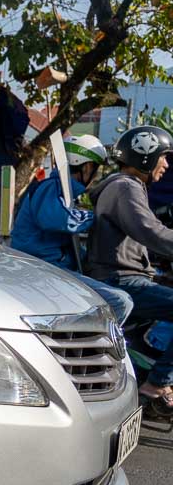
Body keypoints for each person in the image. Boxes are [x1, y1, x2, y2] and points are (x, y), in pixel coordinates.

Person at [87, 125, 173, 409]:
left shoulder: (127, 186)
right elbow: (151, 232)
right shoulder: (125, 187)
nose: (166, 164)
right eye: (164, 156)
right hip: (121, 280)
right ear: (147, 156)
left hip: (128, 275)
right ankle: (157, 384)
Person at [11, 134, 133, 323]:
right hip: (41, 269)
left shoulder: (63, 194)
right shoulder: (49, 187)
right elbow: (56, 219)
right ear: (86, 167)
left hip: (51, 269)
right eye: (96, 169)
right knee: (119, 301)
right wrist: (98, 216)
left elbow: (66, 244)